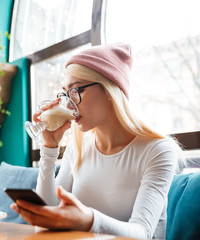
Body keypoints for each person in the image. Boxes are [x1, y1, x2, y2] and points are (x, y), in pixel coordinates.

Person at [11, 43, 182, 239]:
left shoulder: (157, 151)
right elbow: (47, 210)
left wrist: (89, 220)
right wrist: (49, 148)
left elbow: (141, 233)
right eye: (66, 93)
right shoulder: (78, 146)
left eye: (76, 91)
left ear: (110, 90)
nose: (68, 103)